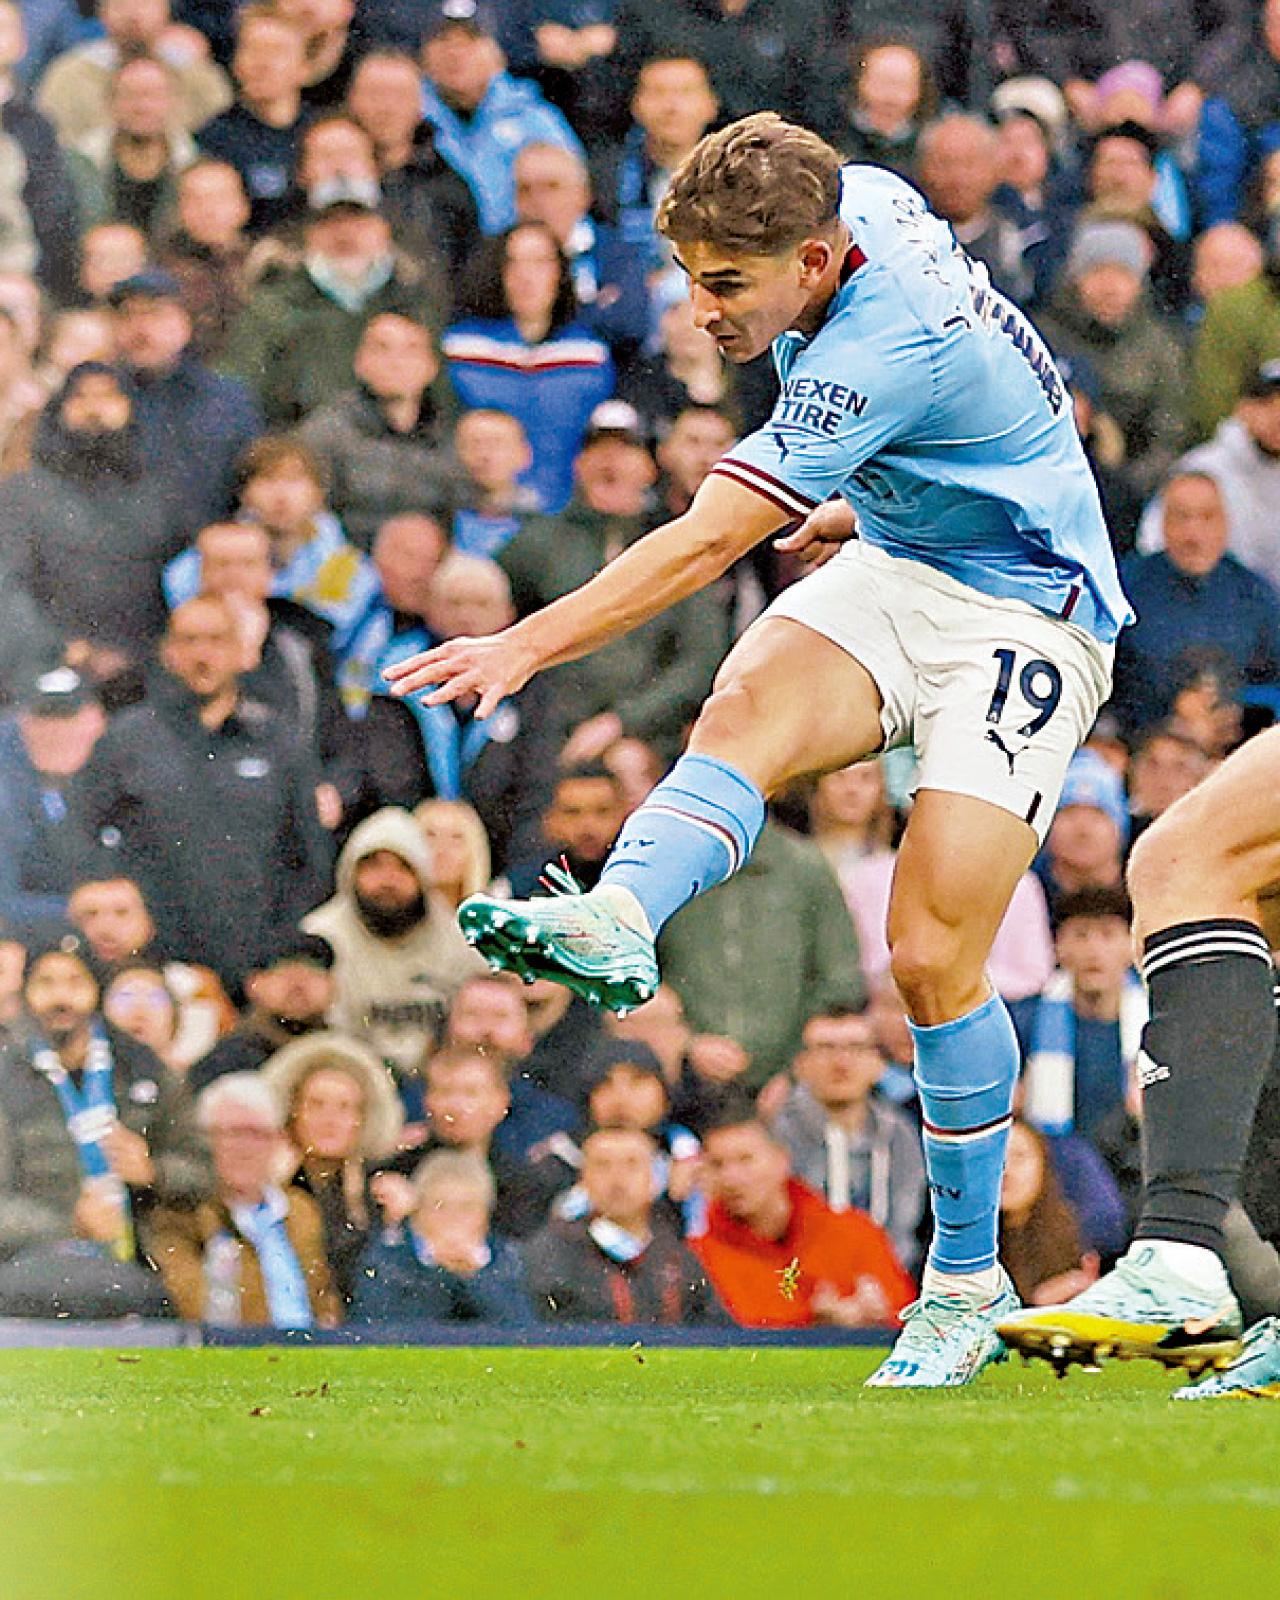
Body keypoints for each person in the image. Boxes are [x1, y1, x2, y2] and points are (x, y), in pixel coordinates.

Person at [386, 114, 1130, 1387]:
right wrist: (892, 488)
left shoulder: (873, 349)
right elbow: (1004, 380)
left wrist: (522, 644)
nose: (700, 309)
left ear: (814, 261)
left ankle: (963, 1283)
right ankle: (622, 913)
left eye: (727, 283)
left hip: (1027, 612)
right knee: (739, 710)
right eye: (688, 275)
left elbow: (701, 541)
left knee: (928, 953)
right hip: (905, 554)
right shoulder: (861, 196)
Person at [74, 596, 333, 991]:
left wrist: (278, 949)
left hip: (258, 969)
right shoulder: (126, 741)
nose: (202, 655)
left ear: (241, 652)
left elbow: (311, 857)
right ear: (167, 652)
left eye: (216, 640)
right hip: (153, 971)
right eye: (189, 640)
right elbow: (81, 836)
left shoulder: (279, 742)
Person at [0, 935, 211, 1318]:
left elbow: (203, 1174)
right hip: (29, 1271)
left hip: (145, 1265)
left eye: (75, 982)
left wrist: (153, 1172)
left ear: (97, 990)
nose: (61, 997)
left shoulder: (145, 1070)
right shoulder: (4, 1077)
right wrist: (68, 1224)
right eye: (46, 983)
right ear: (26, 992)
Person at [0, 363, 188, 703]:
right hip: (49, 672)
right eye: (81, 397)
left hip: (149, 673)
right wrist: (63, 648)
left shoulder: (164, 496)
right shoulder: (23, 495)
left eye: (107, 396)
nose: (94, 409)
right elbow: (9, 587)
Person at [690, 1108, 915, 1330]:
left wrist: (881, 1321)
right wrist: (818, 1326)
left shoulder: (855, 1232)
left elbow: (911, 1321)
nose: (731, 1178)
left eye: (745, 1160)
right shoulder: (701, 1258)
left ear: (782, 1159)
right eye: (717, 1164)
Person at [444, 221, 614, 513]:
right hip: (475, 512)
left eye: (540, 263)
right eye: (513, 263)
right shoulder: (461, 349)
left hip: (564, 516)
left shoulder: (589, 355)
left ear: (560, 273)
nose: (526, 276)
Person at [302, 807, 483, 1080]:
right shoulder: (321, 935)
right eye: (373, 866)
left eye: (403, 867)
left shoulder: (454, 937)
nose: (388, 880)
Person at [147, 1072, 340, 1326]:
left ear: (277, 1141)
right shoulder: (185, 1216)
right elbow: (190, 1305)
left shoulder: (300, 1210)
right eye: (231, 1133)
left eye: (256, 1133)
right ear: (203, 1142)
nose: (244, 1147)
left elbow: (326, 1299)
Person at [1112, 470, 1280, 739]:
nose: (1194, 534)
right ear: (1163, 524)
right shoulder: (1124, 589)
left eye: (1207, 517)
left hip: (1237, 748)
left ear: (1226, 524)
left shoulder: (1258, 597)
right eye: (1182, 517)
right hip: (1141, 745)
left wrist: (1236, 708)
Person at [770, 1002, 927, 1273]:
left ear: (878, 1064)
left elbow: (904, 1227)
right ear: (800, 1064)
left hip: (888, 1280)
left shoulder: (900, 1134)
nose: (841, 1063)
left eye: (856, 1048)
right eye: (825, 1048)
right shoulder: (774, 1136)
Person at [109, 267, 263, 530]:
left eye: (155, 314)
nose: (140, 329)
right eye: (128, 315)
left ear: (186, 323)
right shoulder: (99, 398)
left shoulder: (227, 402)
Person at [297, 310, 460, 551]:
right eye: (382, 349)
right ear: (360, 363)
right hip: (343, 562)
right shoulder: (326, 431)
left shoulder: (450, 436)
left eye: (411, 350)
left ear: (431, 367)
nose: (396, 362)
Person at [524, 1126, 722, 1324]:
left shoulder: (677, 1255)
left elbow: (716, 1329)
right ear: (583, 1180)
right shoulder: (553, 1252)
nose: (617, 1179)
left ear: (654, 1178)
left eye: (632, 1164)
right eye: (603, 1165)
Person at [418, 0, 583, 236]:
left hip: (515, 250)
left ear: (496, 52)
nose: (455, 53)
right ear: (424, 53)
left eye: (470, 41)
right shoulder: (411, 118)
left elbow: (572, 199)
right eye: (443, 40)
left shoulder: (535, 119)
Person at [262, 1030, 404, 1303]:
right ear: (294, 1112)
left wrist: (398, 1225)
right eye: (316, 1105)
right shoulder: (264, 1187)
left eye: (345, 1107)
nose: (330, 1120)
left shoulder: (379, 1193)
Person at [1012, 885, 1147, 1142]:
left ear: (1132, 946)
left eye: (1107, 935)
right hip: (1054, 1157)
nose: (1093, 951)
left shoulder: (1156, 1022)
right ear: (1058, 946)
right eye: (1081, 935)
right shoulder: (1023, 1021)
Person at [69, 871, 237, 1072]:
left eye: (122, 913)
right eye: (90, 915)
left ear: (149, 921)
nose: (104, 928)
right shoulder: (62, 990)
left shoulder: (194, 984)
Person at [352, 1148, 532, 1325]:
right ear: (418, 1211)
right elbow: (378, 1324)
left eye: (467, 1207)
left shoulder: (506, 1258)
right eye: (440, 1205)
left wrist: (474, 1277)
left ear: (485, 1216)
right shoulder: (387, 1259)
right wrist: (439, 1273)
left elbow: (524, 1328)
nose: (453, 1217)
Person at [345, 49, 480, 275]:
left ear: (420, 105)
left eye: (400, 95)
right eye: (375, 94)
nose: (386, 108)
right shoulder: (322, 173)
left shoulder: (449, 188)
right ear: (352, 100)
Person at [37, 0, 230, 144]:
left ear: (166, 10)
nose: (133, 15)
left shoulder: (197, 75)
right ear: (102, 13)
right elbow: (51, 143)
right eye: (120, 4)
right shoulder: (69, 76)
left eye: (145, 3)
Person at [0, 669, 106, 931]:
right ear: (23, 724)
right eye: (43, 718)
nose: (56, 731)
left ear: (96, 720)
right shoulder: (9, 797)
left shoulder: (124, 783)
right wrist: (84, 910)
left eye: (68, 717)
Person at [194, 5, 310, 236]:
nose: (263, 64)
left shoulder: (321, 133)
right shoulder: (213, 138)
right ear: (236, 64)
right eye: (253, 50)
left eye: (276, 52)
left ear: (304, 67)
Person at [186, 931, 335, 1094]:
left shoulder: (341, 1057)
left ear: (332, 987)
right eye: (283, 971)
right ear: (254, 985)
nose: (298, 985)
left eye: (313, 971)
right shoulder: (226, 1061)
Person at [157, 159, 252, 361]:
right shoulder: (161, 272)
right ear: (179, 210)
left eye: (220, 198)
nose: (208, 211)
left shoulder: (265, 264)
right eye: (195, 200)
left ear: (243, 206)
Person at [998, 1118, 1099, 1306]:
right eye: (995, 1160)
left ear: (1043, 1164)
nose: (1006, 1171)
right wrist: (1036, 1305)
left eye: (1019, 1157)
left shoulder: (1069, 1233)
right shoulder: (962, 1245)